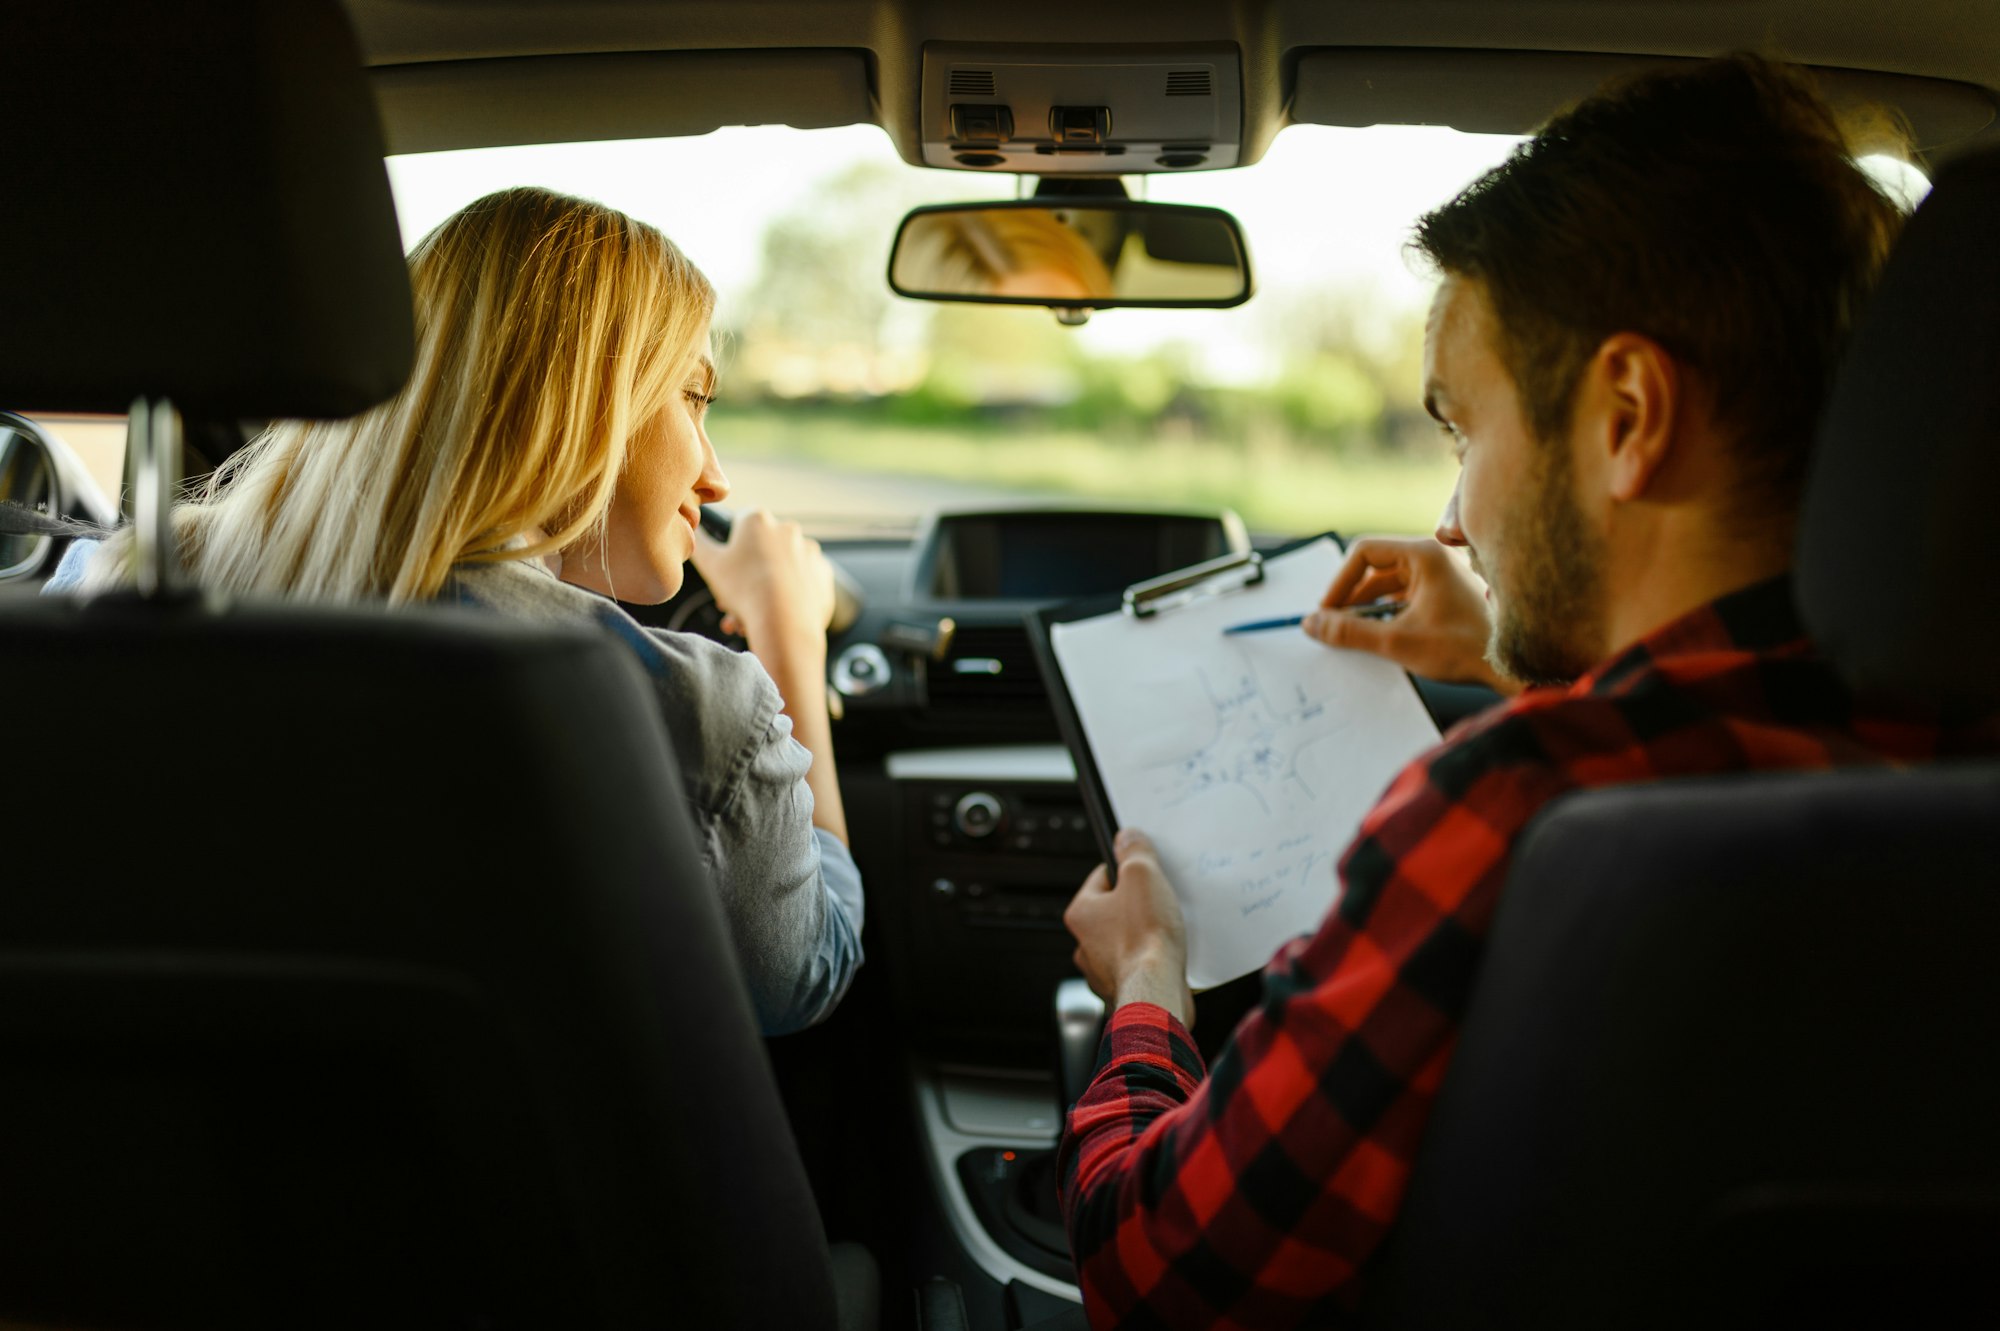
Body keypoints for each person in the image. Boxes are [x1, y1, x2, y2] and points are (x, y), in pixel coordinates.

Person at [1056, 55, 1997, 1326]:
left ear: (1625, 412)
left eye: (1462, 428)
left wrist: (1148, 989)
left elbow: (1156, 1273)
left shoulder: (1514, 803)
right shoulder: (1945, 760)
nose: (1451, 520)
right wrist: (1498, 663)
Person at [50, 186, 862, 1037]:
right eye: (694, 398)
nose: (715, 475)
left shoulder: (106, 584)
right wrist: (788, 635)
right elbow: (804, 974)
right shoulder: (690, 705)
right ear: (584, 398)